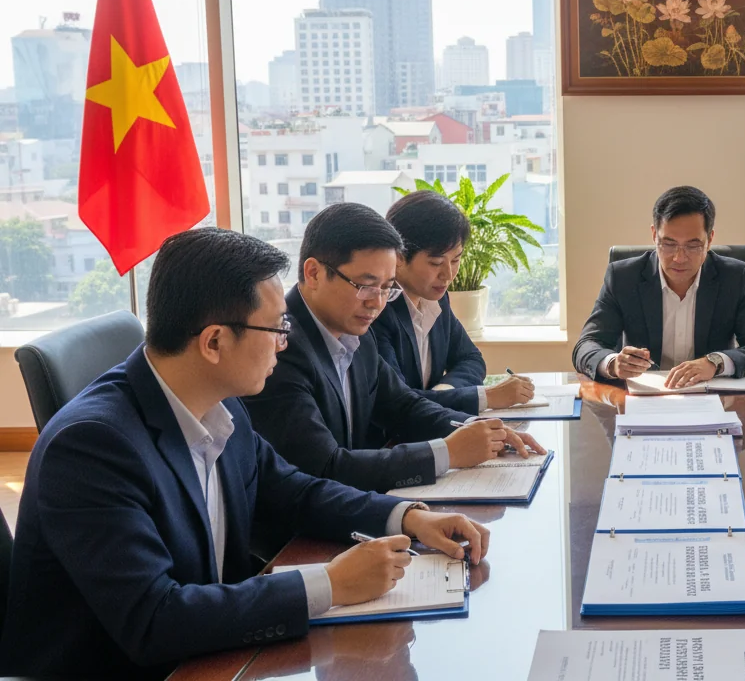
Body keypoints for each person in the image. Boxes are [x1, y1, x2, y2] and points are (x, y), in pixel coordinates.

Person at [0, 229, 494, 678]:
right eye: (277, 328)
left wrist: (407, 517)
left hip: (217, 653)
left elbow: (295, 491)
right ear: (214, 341)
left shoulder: (219, 403)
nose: (285, 343)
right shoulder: (91, 446)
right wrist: (329, 583)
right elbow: (153, 619)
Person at [244, 203, 542, 494]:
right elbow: (326, 466)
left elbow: (403, 407)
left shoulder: (355, 332)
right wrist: (446, 453)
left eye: (387, 288)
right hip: (295, 535)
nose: (377, 302)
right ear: (314, 273)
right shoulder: (280, 346)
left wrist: (481, 429)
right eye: (366, 285)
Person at [572, 185, 745, 387]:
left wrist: (715, 363)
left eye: (693, 245)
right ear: (654, 235)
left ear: (709, 239)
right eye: (669, 244)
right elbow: (586, 346)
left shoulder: (735, 278)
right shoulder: (623, 277)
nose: (679, 258)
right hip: (645, 399)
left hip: (714, 400)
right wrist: (612, 363)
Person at [373, 190, 534, 413]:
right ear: (399, 257)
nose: (448, 275)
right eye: (436, 263)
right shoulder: (376, 310)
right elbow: (398, 402)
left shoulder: (436, 300)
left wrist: (443, 392)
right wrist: (486, 397)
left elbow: (471, 359)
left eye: (456, 259)